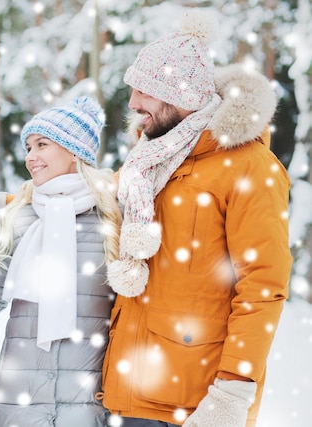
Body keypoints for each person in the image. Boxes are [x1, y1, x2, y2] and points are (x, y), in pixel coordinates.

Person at [98, 9, 292, 427]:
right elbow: (91, 196)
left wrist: (232, 392)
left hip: (193, 404)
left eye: (145, 92)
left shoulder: (250, 167)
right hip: (129, 391)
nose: (133, 104)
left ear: (182, 97)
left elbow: (262, 286)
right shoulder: (148, 161)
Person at [0, 96, 123, 426]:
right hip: (21, 400)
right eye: (28, 147)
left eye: (42, 144)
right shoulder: (19, 217)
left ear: (75, 151)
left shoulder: (113, 218)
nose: (31, 157)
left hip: (87, 400)